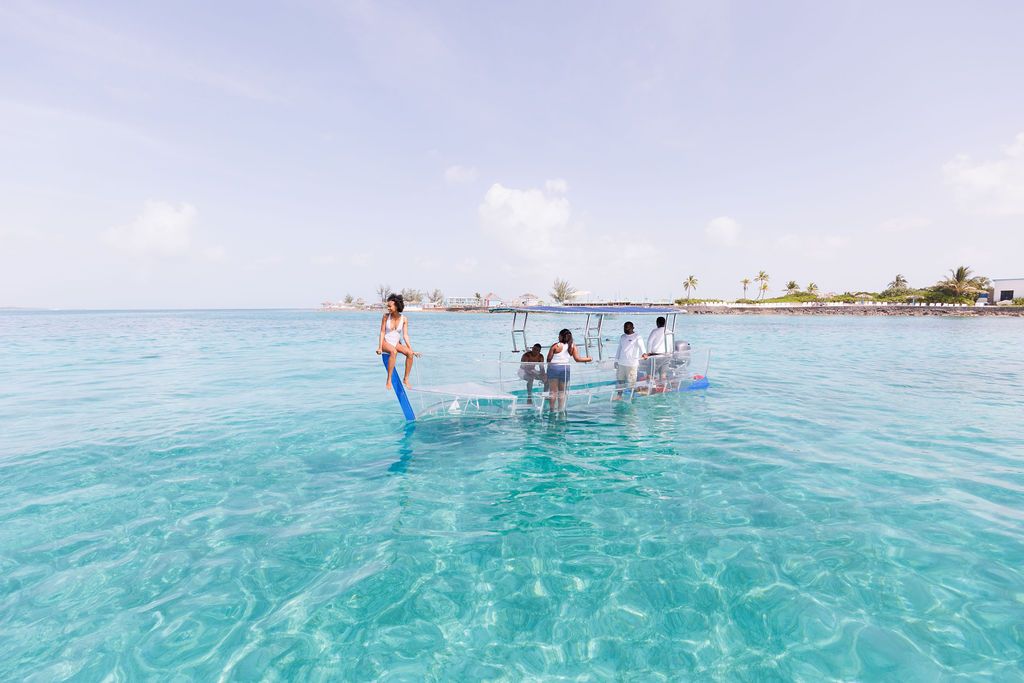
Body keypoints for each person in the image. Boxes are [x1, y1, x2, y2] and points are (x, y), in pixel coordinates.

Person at [376, 293, 420, 389]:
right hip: (385, 343)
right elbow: (382, 332)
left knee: (409, 354)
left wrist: (411, 349)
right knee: (393, 351)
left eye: (390, 306)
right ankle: (389, 379)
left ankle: (406, 379)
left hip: (395, 343)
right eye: (387, 306)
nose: (388, 308)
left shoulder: (404, 319)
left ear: (396, 306)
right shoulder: (385, 317)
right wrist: (380, 347)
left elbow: (405, 335)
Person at [546, 328, 592, 411]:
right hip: (565, 369)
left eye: (559, 335)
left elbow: (548, 359)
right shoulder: (572, 346)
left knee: (553, 392)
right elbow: (577, 359)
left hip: (554, 368)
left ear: (561, 336)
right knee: (562, 392)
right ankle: (560, 409)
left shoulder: (556, 346)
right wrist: (588, 359)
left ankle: (552, 410)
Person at [613, 321, 648, 399]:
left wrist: (644, 353)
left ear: (633, 328)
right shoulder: (622, 337)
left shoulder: (637, 336)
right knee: (620, 380)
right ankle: (619, 395)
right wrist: (616, 360)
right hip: (621, 363)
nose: (626, 329)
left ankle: (632, 396)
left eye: (628, 327)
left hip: (632, 364)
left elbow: (642, 346)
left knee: (632, 382)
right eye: (625, 327)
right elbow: (619, 349)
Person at [646, 316, 674, 385]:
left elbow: (649, 342)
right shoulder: (669, 332)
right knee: (663, 374)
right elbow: (671, 344)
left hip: (655, 356)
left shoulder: (655, 331)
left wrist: (648, 353)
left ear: (657, 323)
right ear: (665, 323)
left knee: (650, 374)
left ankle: (651, 387)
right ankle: (662, 387)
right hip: (666, 355)